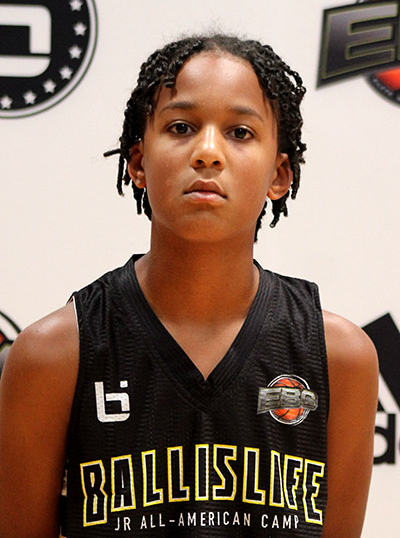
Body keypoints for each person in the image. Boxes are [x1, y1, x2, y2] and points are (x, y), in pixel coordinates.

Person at [0, 34, 378, 538]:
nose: (208, 153)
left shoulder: (339, 358)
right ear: (138, 162)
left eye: (240, 132)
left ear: (280, 174)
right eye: (181, 127)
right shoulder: (53, 356)